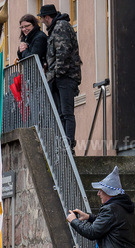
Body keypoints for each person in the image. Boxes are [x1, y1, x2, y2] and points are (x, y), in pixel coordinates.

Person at [39, 4, 81, 150]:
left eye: (43, 19)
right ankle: (65, 146)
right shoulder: (56, 27)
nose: (43, 23)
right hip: (61, 77)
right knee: (62, 114)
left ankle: (68, 146)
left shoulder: (60, 27)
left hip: (65, 77)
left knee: (66, 113)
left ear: (47, 17)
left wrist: (56, 75)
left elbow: (63, 52)